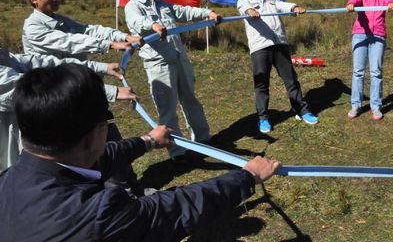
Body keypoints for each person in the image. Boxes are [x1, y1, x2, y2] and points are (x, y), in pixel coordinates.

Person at [0, 64, 280, 242]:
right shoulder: (99, 215)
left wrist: (147, 141)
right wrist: (247, 177)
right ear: (93, 135)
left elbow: (101, 158)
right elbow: (175, 208)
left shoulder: (9, 180)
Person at [124, 0, 220, 162]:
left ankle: (203, 139)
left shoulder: (160, 3)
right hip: (159, 64)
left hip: (179, 58)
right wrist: (153, 25)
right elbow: (137, 22)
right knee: (167, 108)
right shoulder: (132, 7)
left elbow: (183, 11)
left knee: (190, 100)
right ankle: (177, 152)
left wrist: (207, 13)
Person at [21, 0, 139, 102]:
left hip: (74, 86)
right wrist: (110, 45)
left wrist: (123, 37)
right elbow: (68, 42)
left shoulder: (61, 20)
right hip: (52, 96)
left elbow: (88, 31)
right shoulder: (33, 28)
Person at [0, 48, 122, 171]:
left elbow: (37, 63)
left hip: (50, 140)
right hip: (29, 151)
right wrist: (110, 91)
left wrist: (100, 67)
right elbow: (31, 91)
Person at [237, 0, 318, 134]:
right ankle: (263, 118)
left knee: (291, 80)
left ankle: (301, 110)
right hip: (260, 47)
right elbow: (244, 9)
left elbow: (283, 5)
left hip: (280, 44)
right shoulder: (242, 2)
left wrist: (294, 7)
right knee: (261, 84)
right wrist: (250, 11)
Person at [346, 0, 393, 120]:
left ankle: (376, 106)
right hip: (360, 34)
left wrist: (391, 4)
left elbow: (390, 1)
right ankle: (356, 105)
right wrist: (351, 4)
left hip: (378, 35)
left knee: (376, 72)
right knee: (358, 71)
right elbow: (353, 1)